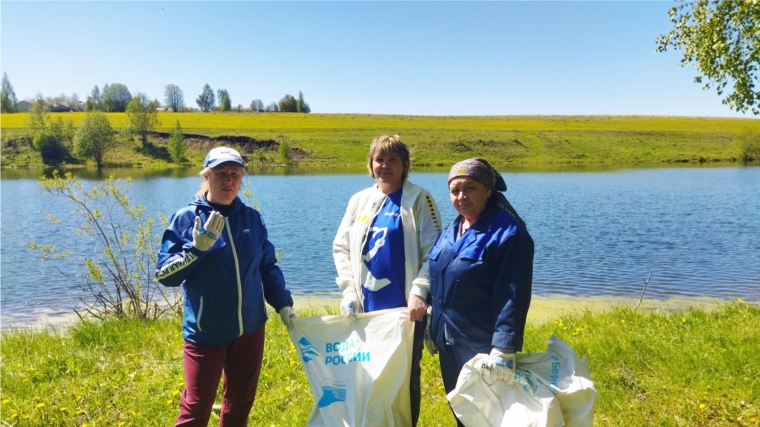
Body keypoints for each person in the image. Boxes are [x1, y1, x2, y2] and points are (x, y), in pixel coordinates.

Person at [156, 146, 296, 427]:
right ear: (206, 176)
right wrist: (195, 250)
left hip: (250, 329)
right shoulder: (187, 218)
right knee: (196, 409)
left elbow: (266, 267)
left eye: (235, 174)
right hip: (206, 332)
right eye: (221, 174)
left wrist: (283, 304)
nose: (228, 181)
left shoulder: (251, 218)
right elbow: (164, 275)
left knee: (240, 403)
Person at [332, 135, 442, 426]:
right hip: (365, 310)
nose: (385, 165)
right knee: (365, 374)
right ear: (370, 164)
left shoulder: (420, 199)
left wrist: (420, 291)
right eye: (379, 159)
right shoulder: (359, 200)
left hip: (404, 312)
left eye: (393, 159)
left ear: (404, 165)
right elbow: (341, 247)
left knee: (403, 379)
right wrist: (348, 292)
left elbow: (435, 252)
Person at [426, 158, 534, 427]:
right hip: (449, 343)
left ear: (488, 189)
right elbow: (440, 276)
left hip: (483, 347)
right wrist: (432, 324)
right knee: (463, 411)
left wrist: (504, 347)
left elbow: (513, 294)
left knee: (490, 417)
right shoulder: (454, 227)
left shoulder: (508, 234)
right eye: (455, 190)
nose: (461, 196)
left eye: (470, 188)